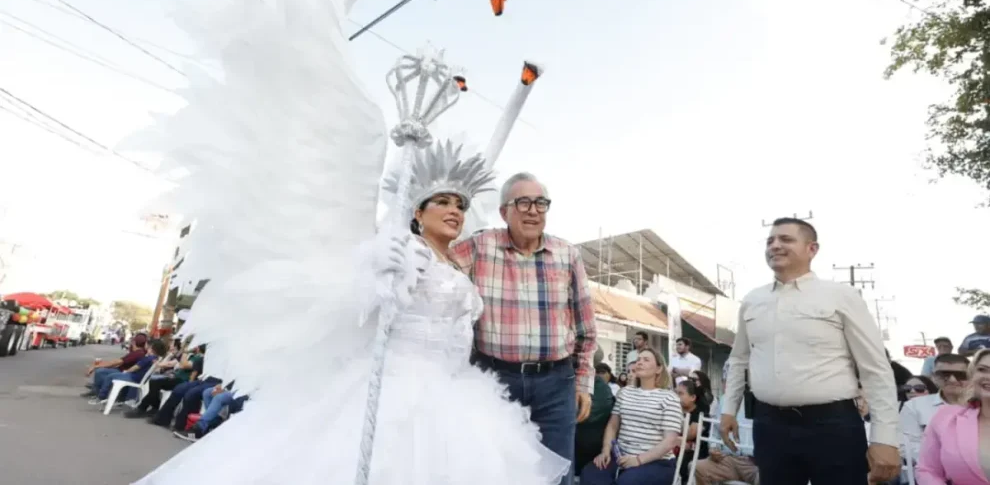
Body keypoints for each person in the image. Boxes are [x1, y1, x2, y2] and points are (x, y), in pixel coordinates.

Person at [134, 141, 569, 483]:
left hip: (460, 392)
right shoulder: (402, 251)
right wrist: (381, 270)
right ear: (417, 212)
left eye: (460, 204)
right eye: (443, 203)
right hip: (399, 390)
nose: (455, 211)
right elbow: (365, 308)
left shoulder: (460, 260)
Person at [720, 217, 900, 484]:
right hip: (770, 426)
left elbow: (875, 368)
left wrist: (885, 438)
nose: (775, 246)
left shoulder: (841, 296)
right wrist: (728, 410)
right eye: (770, 241)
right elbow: (738, 360)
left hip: (833, 426)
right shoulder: (753, 300)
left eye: (786, 239)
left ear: (812, 249)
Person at [452, 171, 597, 484]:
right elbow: (436, 262)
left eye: (541, 203)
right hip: (496, 381)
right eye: (524, 202)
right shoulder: (479, 247)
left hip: (557, 385)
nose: (533, 210)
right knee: (497, 472)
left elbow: (586, 330)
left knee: (557, 475)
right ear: (504, 211)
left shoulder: (568, 255)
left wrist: (583, 383)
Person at [579, 348, 682, 485]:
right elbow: (612, 425)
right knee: (591, 474)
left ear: (659, 369)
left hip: (657, 462)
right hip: (620, 457)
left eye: (646, 360)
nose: (639, 362)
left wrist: (638, 460)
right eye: (638, 359)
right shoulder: (625, 392)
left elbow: (670, 441)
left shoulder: (669, 398)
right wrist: (605, 451)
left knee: (627, 482)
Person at [915, 348, 990, 484]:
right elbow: (928, 470)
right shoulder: (945, 418)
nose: (988, 376)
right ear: (972, 376)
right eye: (982, 369)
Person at [898, 353, 970, 464]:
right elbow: (907, 445)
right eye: (944, 374)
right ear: (934, 377)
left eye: (960, 375)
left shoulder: (983, 405)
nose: (952, 379)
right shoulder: (915, 406)